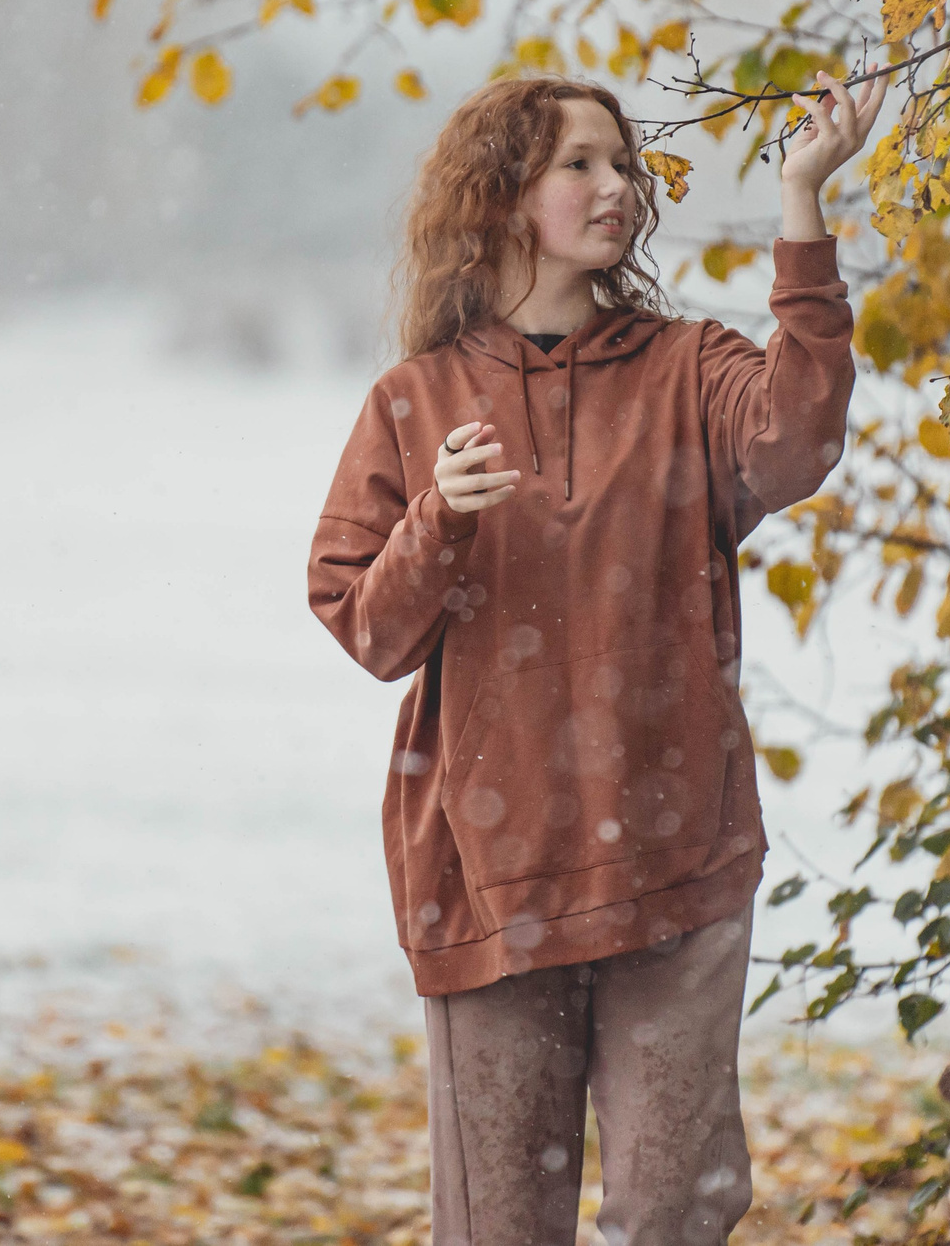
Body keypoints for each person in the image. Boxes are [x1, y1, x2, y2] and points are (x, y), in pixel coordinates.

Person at [306, 68, 885, 1246]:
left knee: (674, 1214)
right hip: (488, 875)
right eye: (579, 162)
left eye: (621, 163)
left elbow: (795, 442)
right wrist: (438, 518)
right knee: (501, 1226)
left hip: (675, 859)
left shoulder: (686, 368)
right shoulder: (415, 402)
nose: (616, 184)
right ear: (502, 195)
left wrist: (801, 207)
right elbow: (366, 627)